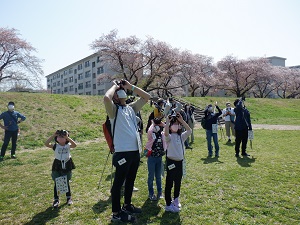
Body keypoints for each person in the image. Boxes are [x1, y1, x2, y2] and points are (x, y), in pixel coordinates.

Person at [104, 79, 151, 223]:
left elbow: (146, 97)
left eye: (121, 91)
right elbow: (106, 98)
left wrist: (130, 86)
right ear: (116, 97)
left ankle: (127, 205)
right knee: (118, 183)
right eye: (118, 93)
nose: (121, 92)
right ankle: (117, 213)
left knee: (130, 180)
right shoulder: (114, 110)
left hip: (134, 151)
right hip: (122, 152)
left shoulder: (130, 108)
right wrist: (114, 86)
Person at [163, 112, 192, 213]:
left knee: (178, 182)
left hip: (180, 162)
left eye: (177, 124)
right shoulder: (169, 137)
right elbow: (166, 133)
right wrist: (167, 122)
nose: (176, 125)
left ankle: (176, 199)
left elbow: (189, 130)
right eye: (174, 124)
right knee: (169, 182)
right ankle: (168, 203)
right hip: (171, 162)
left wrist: (182, 121)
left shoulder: (181, 136)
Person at [44, 130, 77, 208]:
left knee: (66, 181)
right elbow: (46, 144)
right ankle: (56, 199)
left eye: (63, 137)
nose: (61, 138)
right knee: (57, 182)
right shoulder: (55, 146)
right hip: (57, 164)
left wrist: (67, 137)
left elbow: (74, 145)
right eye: (59, 136)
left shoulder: (68, 145)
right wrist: (53, 135)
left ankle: (69, 198)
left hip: (67, 163)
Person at [145, 118, 166, 201]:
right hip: (151, 158)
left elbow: (167, 127)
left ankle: (160, 192)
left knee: (158, 176)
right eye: (156, 125)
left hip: (159, 158)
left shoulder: (162, 134)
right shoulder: (151, 134)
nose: (157, 127)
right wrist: (153, 123)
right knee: (151, 176)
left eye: (158, 125)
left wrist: (162, 124)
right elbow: (149, 130)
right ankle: (151, 193)